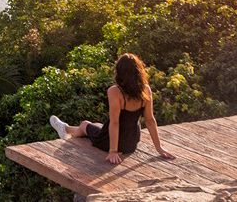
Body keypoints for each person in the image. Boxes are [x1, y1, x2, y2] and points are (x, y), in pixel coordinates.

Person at [48, 53, 177, 164]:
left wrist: (113, 151)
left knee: (84, 124)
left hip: (111, 142)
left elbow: (115, 122)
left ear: (119, 72)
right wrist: (159, 148)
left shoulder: (115, 91)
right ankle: (65, 128)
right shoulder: (145, 90)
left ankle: (65, 131)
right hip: (131, 143)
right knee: (98, 125)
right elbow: (150, 120)